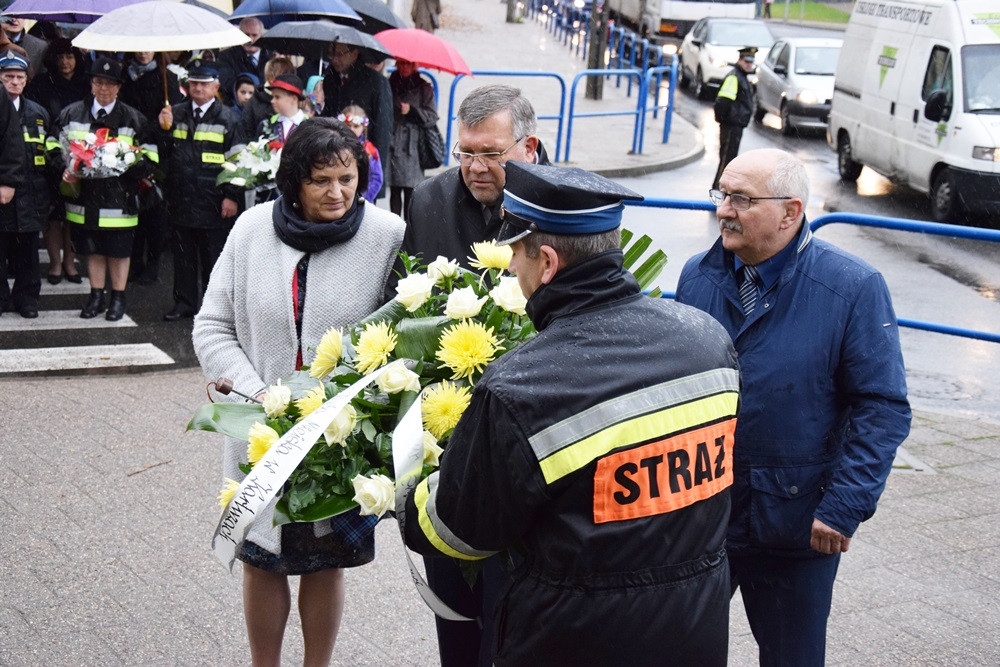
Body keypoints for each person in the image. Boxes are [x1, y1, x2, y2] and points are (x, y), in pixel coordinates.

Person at [403, 160, 740, 666]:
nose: (512, 270)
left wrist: (410, 486)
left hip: (572, 638)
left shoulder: (524, 386)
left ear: (547, 262)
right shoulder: (709, 340)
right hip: (694, 630)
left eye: (515, 256)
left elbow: (458, 530)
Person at [675, 148, 912, 665]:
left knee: (792, 655)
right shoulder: (698, 276)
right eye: (722, 194)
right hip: (705, 513)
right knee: (678, 648)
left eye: (741, 198)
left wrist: (844, 507)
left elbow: (883, 407)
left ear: (791, 211)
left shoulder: (851, 287)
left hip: (796, 519)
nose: (724, 210)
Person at [192, 117, 405, 666]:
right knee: (262, 557)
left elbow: (397, 339)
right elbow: (212, 325)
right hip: (260, 430)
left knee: (324, 560)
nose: (338, 193)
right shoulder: (251, 229)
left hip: (339, 438)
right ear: (293, 182)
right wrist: (256, 394)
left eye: (348, 178)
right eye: (321, 181)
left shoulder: (387, 236)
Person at [391, 83, 545, 667]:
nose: (476, 169)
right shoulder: (430, 202)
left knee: (521, 619)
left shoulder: (563, 202)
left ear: (528, 146)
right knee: (454, 612)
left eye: (492, 155)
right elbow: (404, 306)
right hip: (451, 438)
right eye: (466, 153)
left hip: (534, 439)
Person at [48, 56, 157, 321]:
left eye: (110, 84)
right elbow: (52, 143)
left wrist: (124, 165)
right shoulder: (71, 113)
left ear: (119, 87)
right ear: (91, 84)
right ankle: (96, 295)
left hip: (120, 197)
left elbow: (151, 158)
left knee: (119, 251)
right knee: (91, 249)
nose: (104, 89)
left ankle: (117, 298)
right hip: (83, 198)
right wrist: (65, 167)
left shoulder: (134, 118)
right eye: (99, 82)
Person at [157, 60, 243, 322]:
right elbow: (163, 154)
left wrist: (232, 196)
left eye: (204, 84)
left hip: (213, 200)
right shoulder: (176, 113)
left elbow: (238, 162)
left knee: (213, 258)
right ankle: (184, 303)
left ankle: (212, 308)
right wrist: (162, 130)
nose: (198, 88)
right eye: (193, 83)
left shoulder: (229, 118)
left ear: (216, 86)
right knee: (183, 256)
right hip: (182, 197)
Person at [23, 37, 87, 285]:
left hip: (79, 156)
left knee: (71, 215)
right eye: (59, 57)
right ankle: (55, 264)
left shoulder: (85, 84)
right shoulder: (42, 83)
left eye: (69, 56)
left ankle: (71, 262)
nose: (64, 62)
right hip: (50, 154)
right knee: (53, 216)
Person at [120, 51, 184, 286]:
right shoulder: (124, 76)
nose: (144, 52)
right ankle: (134, 260)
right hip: (129, 144)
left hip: (158, 150)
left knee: (155, 209)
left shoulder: (167, 78)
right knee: (132, 206)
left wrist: (166, 122)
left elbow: (175, 113)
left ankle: (153, 262)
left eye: (149, 48)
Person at [0, 50, 43, 318]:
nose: (14, 82)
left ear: (27, 80)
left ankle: (27, 299)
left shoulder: (37, 112)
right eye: (8, 76)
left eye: (19, 77)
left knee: (28, 249)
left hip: (31, 192)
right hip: (3, 188)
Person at [320, 42, 392, 191]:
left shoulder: (376, 81)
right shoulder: (330, 78)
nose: (334, 59)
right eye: (331, 54)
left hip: (362, 163)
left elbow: (382, 129)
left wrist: (375, 178)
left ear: (354, 53)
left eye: (339, 54)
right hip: (334, 157)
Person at [386, 58, 437, 221]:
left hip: (413, 145)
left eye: (408, 63)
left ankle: (409, 231)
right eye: (401, 63)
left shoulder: (424, 87)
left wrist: (412, 110)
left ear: (415, 65)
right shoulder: (390, 84)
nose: (404, 67)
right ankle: (393, 227)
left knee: (411, 190)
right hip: (393, 141)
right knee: (394, 189)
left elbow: (431, 117)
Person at [713, 46, 757, 189]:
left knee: (729, 159)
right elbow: (722, 102)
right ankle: (718, 191)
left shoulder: (741, 77)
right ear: (739, 60)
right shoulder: (734, 77)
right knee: (726, 160)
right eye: (746, 61)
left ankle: (721, 190)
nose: (749, 64)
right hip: (731, 125)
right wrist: (725, 120)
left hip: (735, 125)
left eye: (751, 62)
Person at [216, 17, 270, 106]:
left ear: (261, 35)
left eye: (254, 35)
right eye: (246, 35)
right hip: (237, 108)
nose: (250, 39)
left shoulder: (271, 55)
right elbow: (226, 84)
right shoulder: (226, 56)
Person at [238, 56, 295, 140]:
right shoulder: (254, 101)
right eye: (282, 77)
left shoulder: (294, 99)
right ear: (270, 78)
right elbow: (245, 133)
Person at [338, 105, 382, 203]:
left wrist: (363, 198)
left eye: (356, 126)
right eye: (348, 125)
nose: (352, 129)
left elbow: (376, 178)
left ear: (363, 127)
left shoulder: (369, 150)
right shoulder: (334, 147)